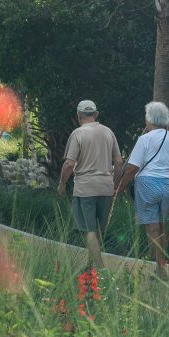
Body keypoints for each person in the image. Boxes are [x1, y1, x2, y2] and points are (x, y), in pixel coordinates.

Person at [115, 100, 169, 272]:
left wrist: (120, 188)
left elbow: (132, 169)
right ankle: (159, 263)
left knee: (152, 227)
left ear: (149, 120)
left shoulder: (144, 139)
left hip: (147, 184)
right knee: (162, 225)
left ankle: (158, 266)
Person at [56, 98, 120, 270]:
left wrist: (62, 184)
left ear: (78, 116)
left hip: (85, 189)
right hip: (106, 187)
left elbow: (69, 164)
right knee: (98, 231)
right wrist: (114, 184)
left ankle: (100, 268)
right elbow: (119, 162)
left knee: (89, 230)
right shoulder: (108, 132)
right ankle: (90, 267)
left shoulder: (78, 134)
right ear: (96, 114)